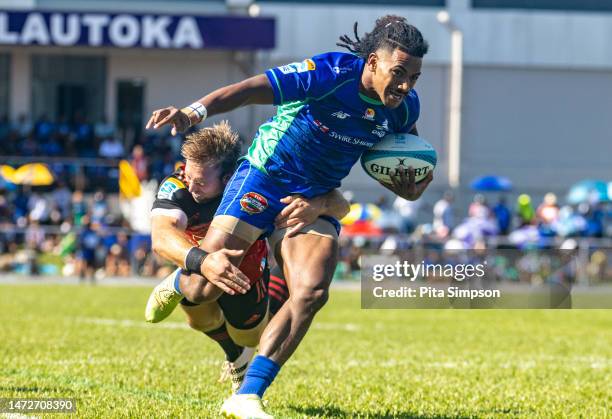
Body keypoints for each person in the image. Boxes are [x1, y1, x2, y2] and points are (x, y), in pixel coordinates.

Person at [146, 15, 432, 418]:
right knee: (200, 291)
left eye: (414, 77)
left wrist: (412, 182)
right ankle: (181, 276)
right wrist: (193, 113)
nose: (405, 85)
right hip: (264, 178)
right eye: (398, 73)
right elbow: (247, 90)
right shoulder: (330, 73)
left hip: (314, 198)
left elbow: (405, 168)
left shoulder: (403, 110)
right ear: (371, 62)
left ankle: (247, 395)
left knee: (312, 292)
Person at [145, 121, 349, 392]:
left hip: (246, 271)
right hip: (197, 267)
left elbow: (342, 205)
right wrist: (203, 261)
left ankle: (240, 352)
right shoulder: (177, 185)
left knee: (251, 336)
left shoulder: (260, 176)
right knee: (199, 315)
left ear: (229, 178)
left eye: (202, 182)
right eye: (188, 175)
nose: (191, 185)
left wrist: (319, 204)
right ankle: (182, 288)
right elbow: (161, 237)